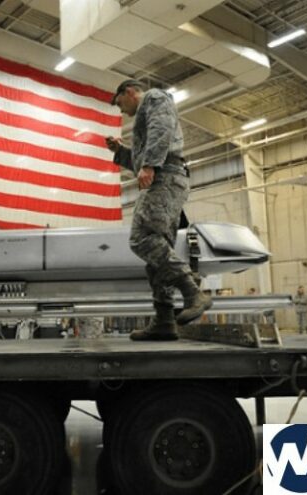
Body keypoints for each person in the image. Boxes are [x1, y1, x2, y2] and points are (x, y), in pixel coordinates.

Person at [106, 79, 211, 341]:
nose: (121, 110)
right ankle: (164, 320)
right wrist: (121, 151)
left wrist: (150, 165)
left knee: (142, 239)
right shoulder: (148, 110)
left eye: (120, 103)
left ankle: (192, 293)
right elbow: (144, 158)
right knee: (157, 253)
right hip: (167, 177)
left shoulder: (154, 97)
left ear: (129, 92)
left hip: (165, 178)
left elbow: (161, 130)